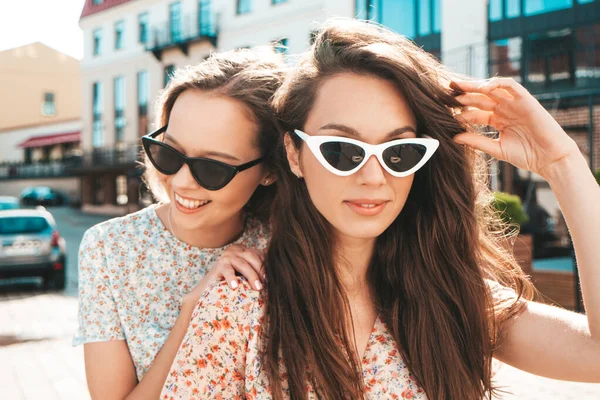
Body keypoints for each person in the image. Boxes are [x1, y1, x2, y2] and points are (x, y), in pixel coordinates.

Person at [161, 19, 600, 400]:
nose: (373, 176)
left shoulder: (451, 296)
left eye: (399, 152)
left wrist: (562, 164)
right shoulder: (238, 306)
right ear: (294, 154)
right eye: (341, 150)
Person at [73, 48, 285, 399]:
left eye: (213, 168)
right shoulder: (109, 249)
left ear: (270, 171)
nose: (183, 183)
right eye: (169, 153)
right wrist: (192, 313)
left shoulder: (287, 246)